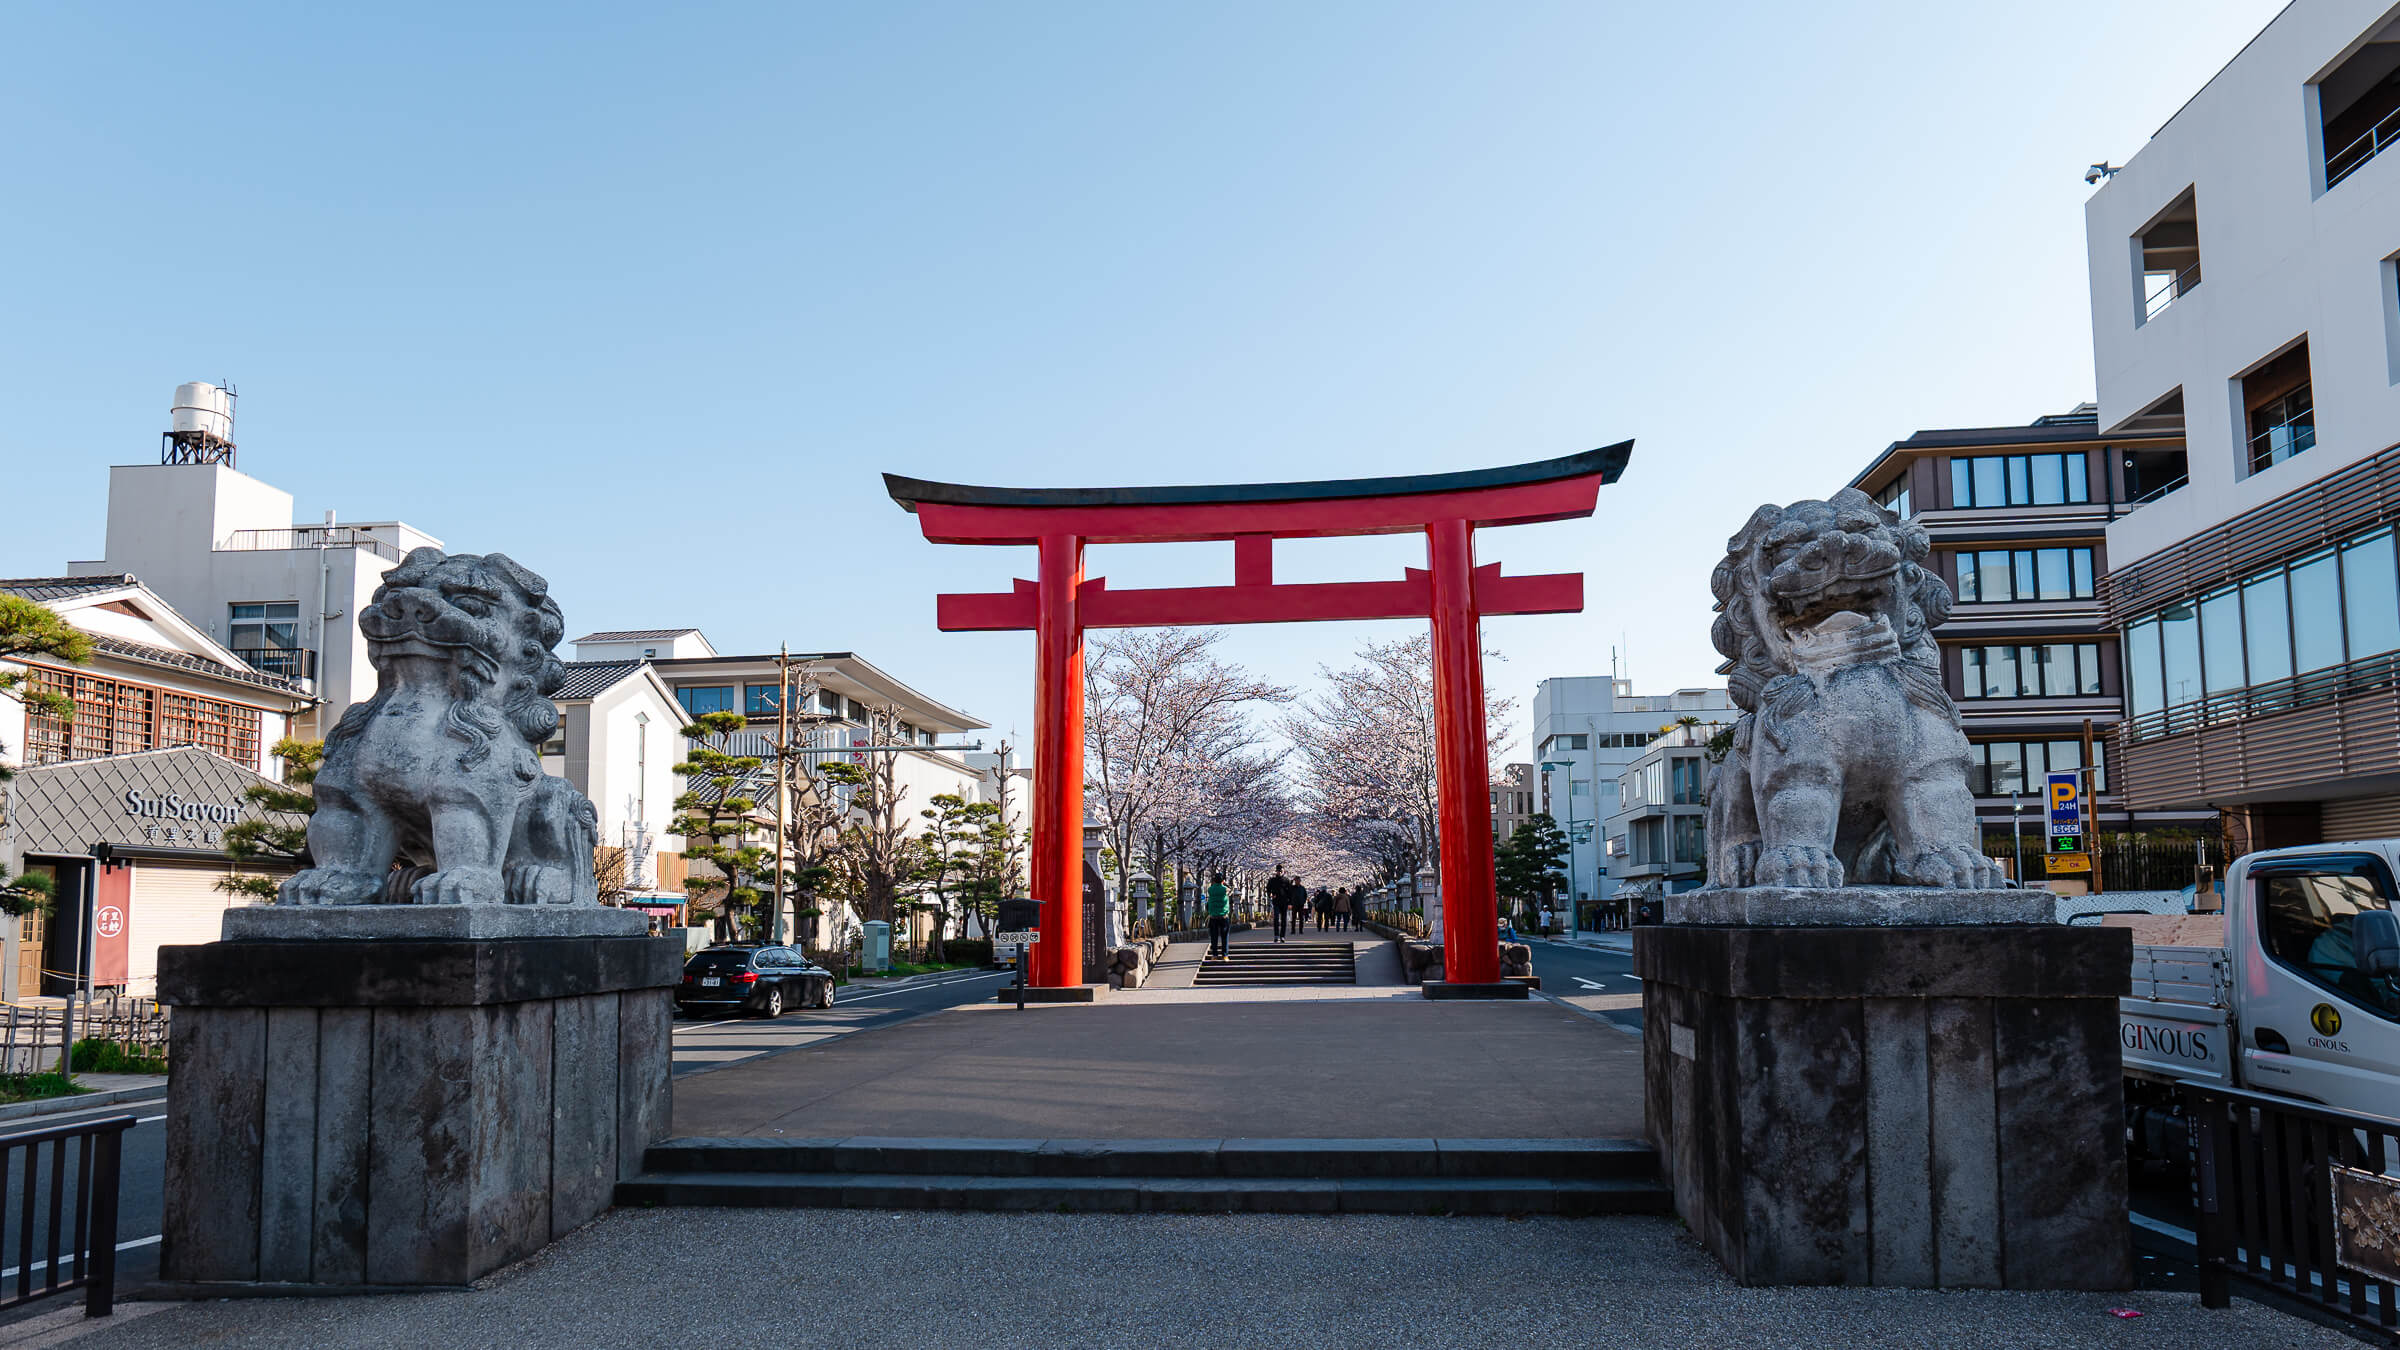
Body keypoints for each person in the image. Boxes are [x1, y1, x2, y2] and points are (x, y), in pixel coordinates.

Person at [1205, 871, 1232, 960]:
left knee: (1214, 936)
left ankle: (1215, 955)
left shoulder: (1210, 889)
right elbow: (1230, 890)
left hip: (1213, 916)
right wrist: (1225, 884)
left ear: (1214, 881)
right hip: (1223, 916)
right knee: (1224, 936)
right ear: (1222, 881)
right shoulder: (1225, 889)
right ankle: (1225, 955)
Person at [1269, 865, 1292, 942]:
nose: (1279, 872)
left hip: (1284, 902)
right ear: (1276, 871)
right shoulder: (1272, 880)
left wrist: (1290, 903)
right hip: (1276, 902)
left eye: (1281, 871)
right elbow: (1268, 889)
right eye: (1278, 871)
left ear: (1283, 872)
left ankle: (1282, 936)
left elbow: (1290, 892)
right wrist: (1270, 894)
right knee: (1276, 919)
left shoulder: (1286, 880)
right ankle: (1276, 935)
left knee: (1284, 920)